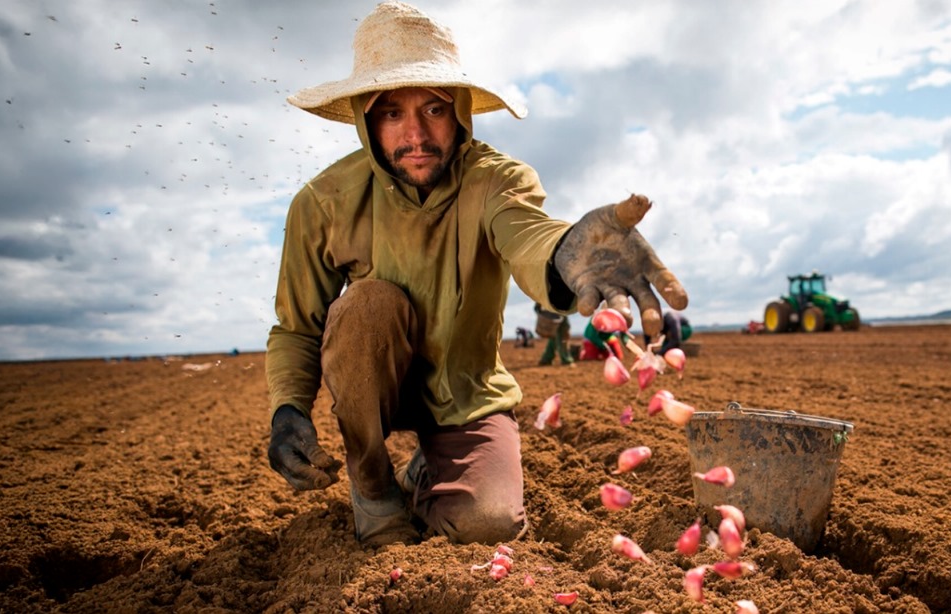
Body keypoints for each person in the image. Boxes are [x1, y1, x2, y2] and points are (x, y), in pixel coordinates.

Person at [265, 1, 686, 548]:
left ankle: (428, 469)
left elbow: (530, 236)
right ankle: (373, 488)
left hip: (465, 390)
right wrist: (288, 408)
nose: (415, 134)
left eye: (434, 109)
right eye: (392, 113)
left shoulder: (495, 181)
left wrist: (566, 251)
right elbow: (298, 326)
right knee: (367, 305)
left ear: (460, 111)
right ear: (367, 120)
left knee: (488, 524)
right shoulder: (324, 203)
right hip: (375, 384)